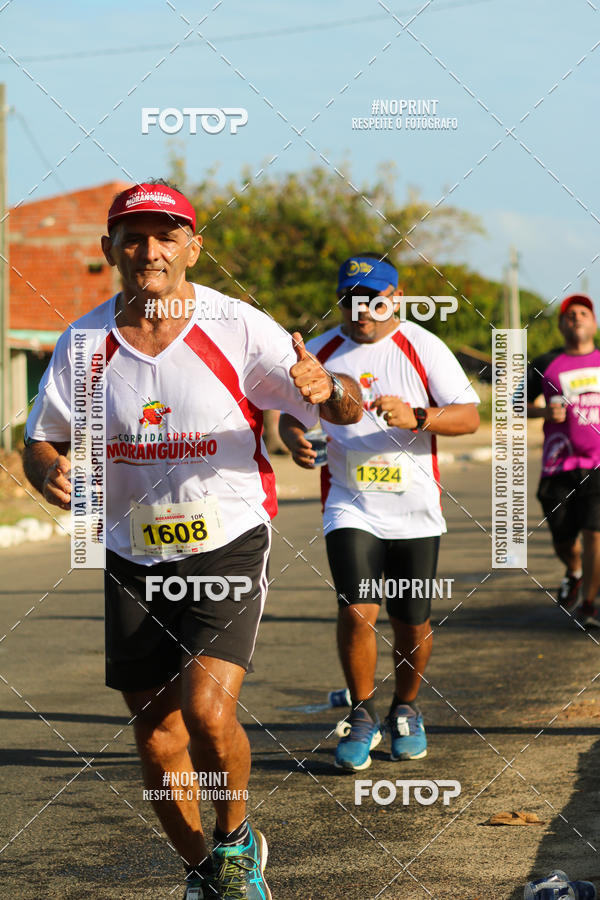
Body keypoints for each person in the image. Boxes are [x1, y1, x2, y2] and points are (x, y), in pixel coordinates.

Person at [22, 180, 362, 899]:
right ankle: (206, 871)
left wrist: (327, 387)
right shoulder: (83, 344)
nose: (151, 250)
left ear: (193, 247)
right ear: (109, 248)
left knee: (209, 714)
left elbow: (342, 406)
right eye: (134, 236)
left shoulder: (236, 326)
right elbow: (43, 439)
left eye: (167, 235)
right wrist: (47, 468)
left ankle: (236, 843)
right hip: (131, 552)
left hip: (227, 539)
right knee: (156, 734)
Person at [279, 254, 480, 772]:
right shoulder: (319, 351)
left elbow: (469, 417)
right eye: (351, 299)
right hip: (350, 503)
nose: (362, 309)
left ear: (396, 296)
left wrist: (419, 415)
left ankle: (406, 709)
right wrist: (295, 440)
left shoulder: (421, 345)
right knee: (357, 608)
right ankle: (363, 714)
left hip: (415, 510)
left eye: (373, 299)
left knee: (410, 619)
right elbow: (286, 418)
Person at [527, 293, 600, 628]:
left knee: (594, 532)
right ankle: (574, 569)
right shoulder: (545, 363)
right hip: (558, 467)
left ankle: (588, 604)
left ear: (594, 323)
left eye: (583, 313)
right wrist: (543, 410)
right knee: (563, 538)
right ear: (560, 325)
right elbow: (513, 405)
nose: (576, 319)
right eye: (570, 315)